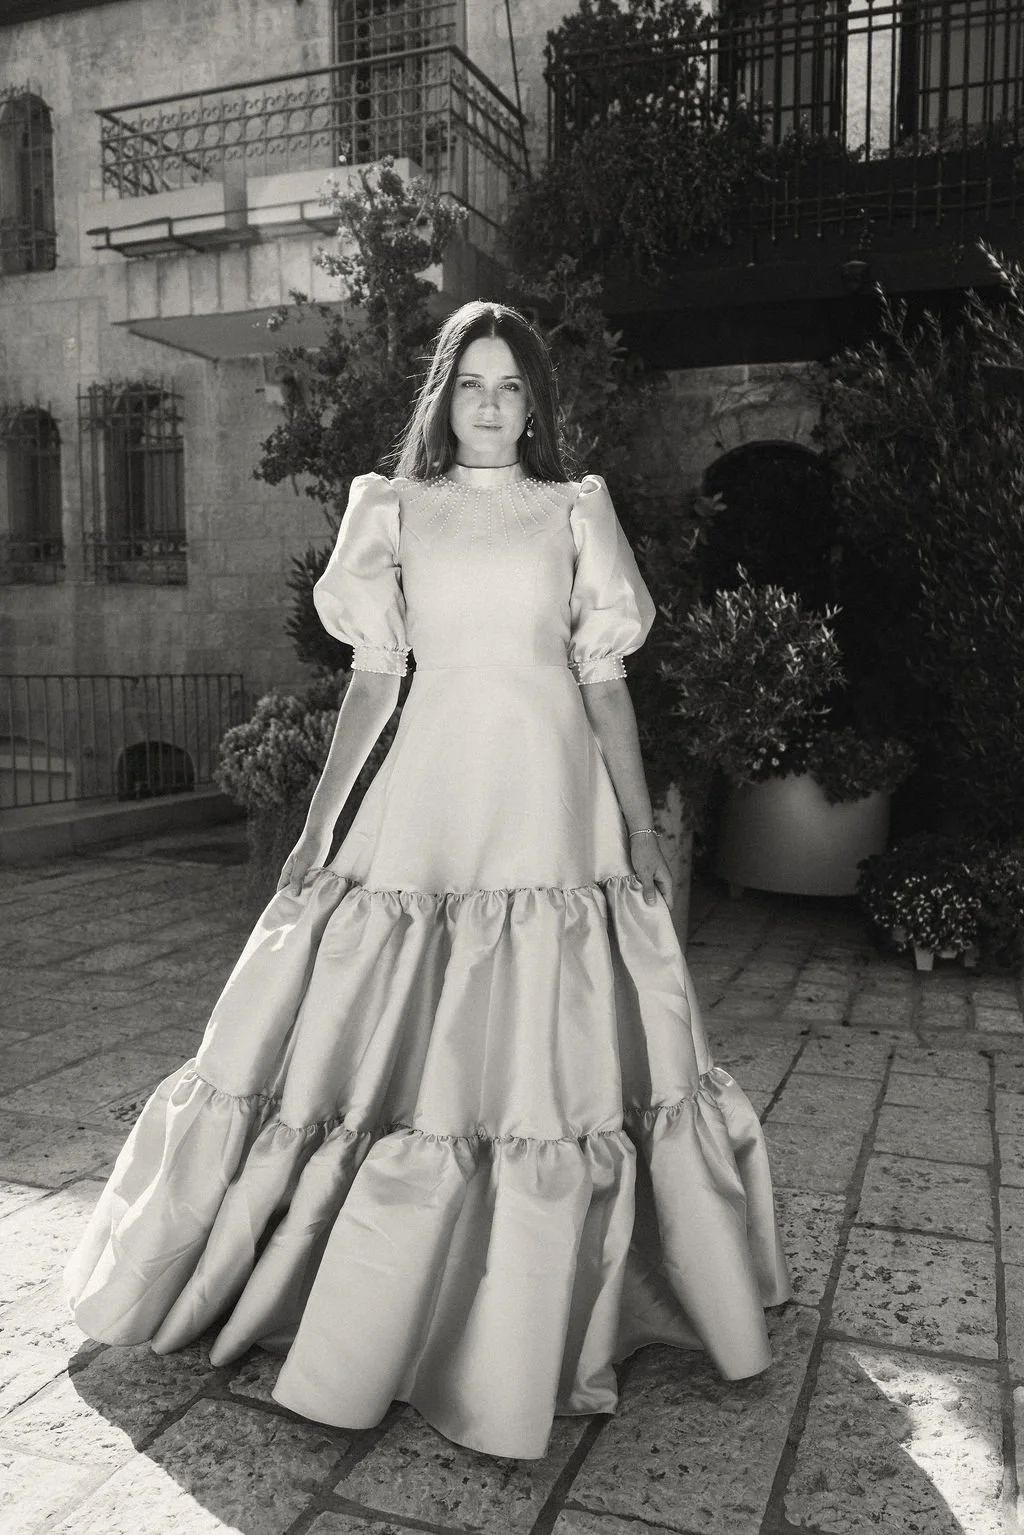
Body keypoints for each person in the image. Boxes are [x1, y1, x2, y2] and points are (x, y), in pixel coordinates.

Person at [64, 300, 792, 1461]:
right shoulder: (391, 509)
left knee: (555, 1054)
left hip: (550, 807)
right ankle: (365, 1289)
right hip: (428, 800)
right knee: (384, 1039)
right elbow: (372, 681)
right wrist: (320, 821)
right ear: (442, 398)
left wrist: (641, 833)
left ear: (535, 405)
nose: (492, 406)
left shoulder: (575, 512)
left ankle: (550, 1296)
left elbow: (604, 686)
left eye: (511, 387)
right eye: (471, 385)